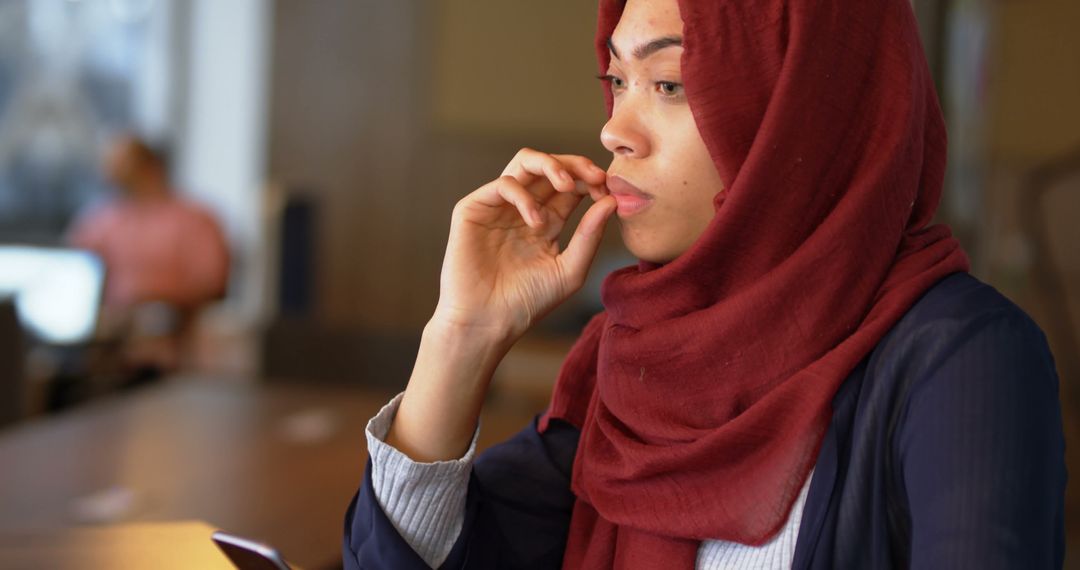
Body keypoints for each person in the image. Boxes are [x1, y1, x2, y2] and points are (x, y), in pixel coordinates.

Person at [343, 0, 1066, 568]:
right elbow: (411, 557)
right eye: (617, 82)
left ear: (801, 112)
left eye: (670, 85)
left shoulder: (965, 360)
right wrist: (462, 334)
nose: (616, 132)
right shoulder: (631, 360)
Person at [67, 134, 229, 377]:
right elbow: (73, 266)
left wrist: (150, 304)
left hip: (172, 342)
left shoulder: (193, 219)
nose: (108, 172)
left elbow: (210, 283)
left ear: (150, 167)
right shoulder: (101, 218)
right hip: (105, 342)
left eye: (120, 164)